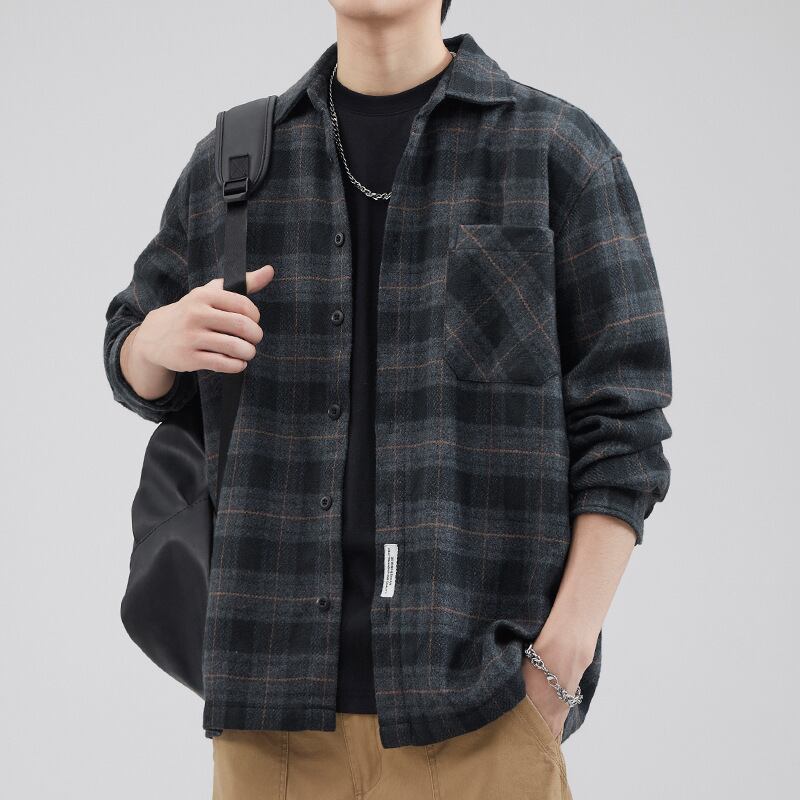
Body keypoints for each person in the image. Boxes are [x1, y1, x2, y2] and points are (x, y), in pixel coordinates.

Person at [103, 1, 672, 797]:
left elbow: (625, 428)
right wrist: (151, 344)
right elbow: (131, 358)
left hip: (482, 711)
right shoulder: (236, 162)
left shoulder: (555, 153)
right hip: (271, 725)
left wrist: (561, 660)